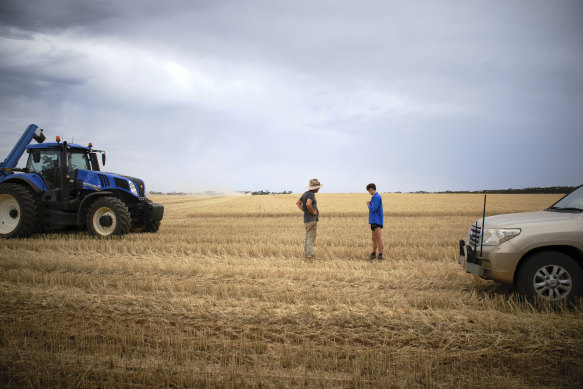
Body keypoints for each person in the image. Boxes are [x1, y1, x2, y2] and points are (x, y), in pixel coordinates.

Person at [296, 178, 321, 259]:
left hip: (306, 220)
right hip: (311, 220)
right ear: (315, 188)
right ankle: (310, 257)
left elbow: (298, 203)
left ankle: (307, 255)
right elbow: (308, 204)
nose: (319, 188)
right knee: (311, 239)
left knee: (307, 238)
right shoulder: (311, 194)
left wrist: (305, 211)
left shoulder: (305, 193)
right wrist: (313, 212)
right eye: (318, 187)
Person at [366, 183, 384, 260]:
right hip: (373, 220)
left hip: (377, 220)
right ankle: (373, 253)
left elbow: (373, 208)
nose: (369, 193)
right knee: (373, 238)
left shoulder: (377, 197)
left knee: (378, 238)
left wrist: (368, 205)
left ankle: (380, 255)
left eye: (369, 191)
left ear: (371, 189)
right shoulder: (374, 197)